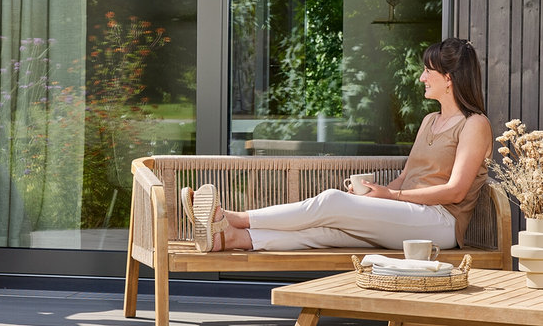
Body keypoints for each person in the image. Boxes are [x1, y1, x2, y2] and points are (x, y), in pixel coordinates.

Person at [185, 38, 493, 254]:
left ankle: (234, 217)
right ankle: (231, 239)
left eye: (428, 70)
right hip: (409, 214)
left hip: (440, 223)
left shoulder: (474, 124)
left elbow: (456, 191)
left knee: (331, 201)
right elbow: (406, 177)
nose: (422, 76)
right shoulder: (430, 120)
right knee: (328, 232)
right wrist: (375, 193)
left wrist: (391, 196)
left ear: (449, 77)